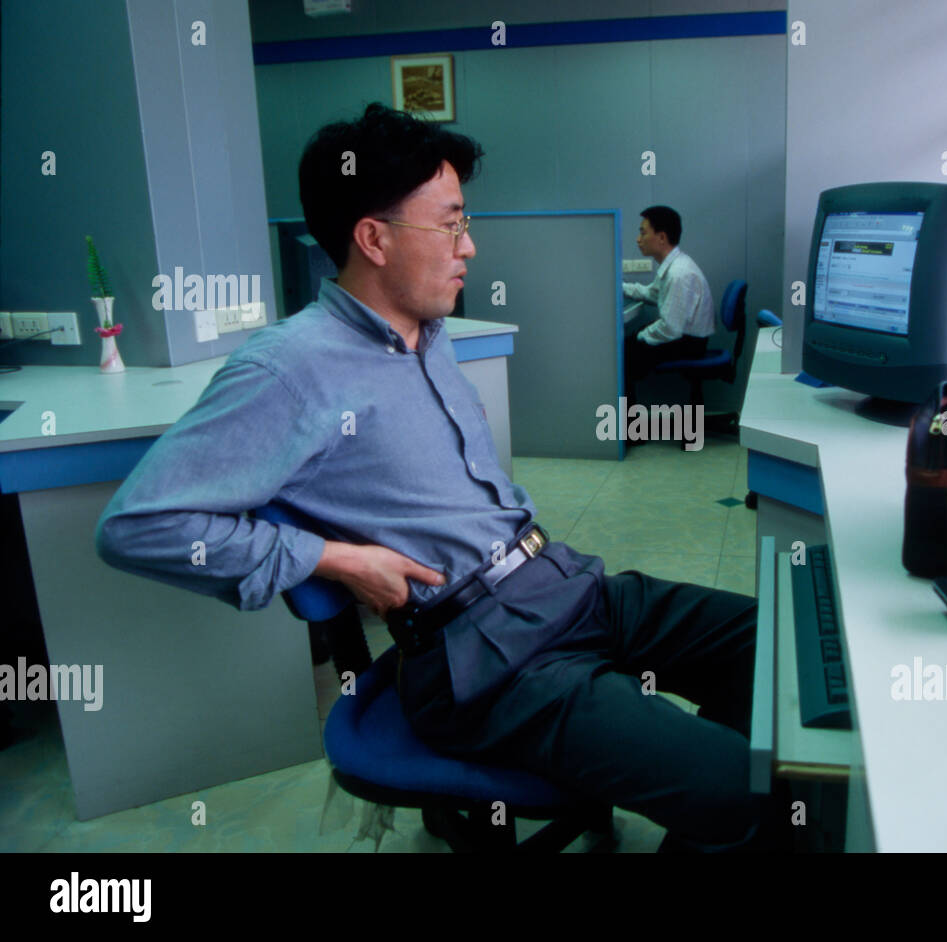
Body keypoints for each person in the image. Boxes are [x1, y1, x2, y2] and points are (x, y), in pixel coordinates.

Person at [95, 104, 791, 853]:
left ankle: (688, 794)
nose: (472, 246)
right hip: (483, 657)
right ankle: (714, 801)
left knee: (776, 652)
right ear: (374, 238)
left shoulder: (431, 334)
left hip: (566, 586)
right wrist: (329, 560)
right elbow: (137, 524)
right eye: (452, 224)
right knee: (753, 798)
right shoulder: (288, 369)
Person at [622, 206, 715, 405]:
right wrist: (620, 287)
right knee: (626, 347)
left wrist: (641, 336)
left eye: (643, 232)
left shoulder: (678, 274)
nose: (638, 239)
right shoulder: (674, 265)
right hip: (686, 337)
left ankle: (631, 432)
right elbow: (651, 293)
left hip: (689, 343)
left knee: (622, 358)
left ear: (662, 237)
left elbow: (670, 329)